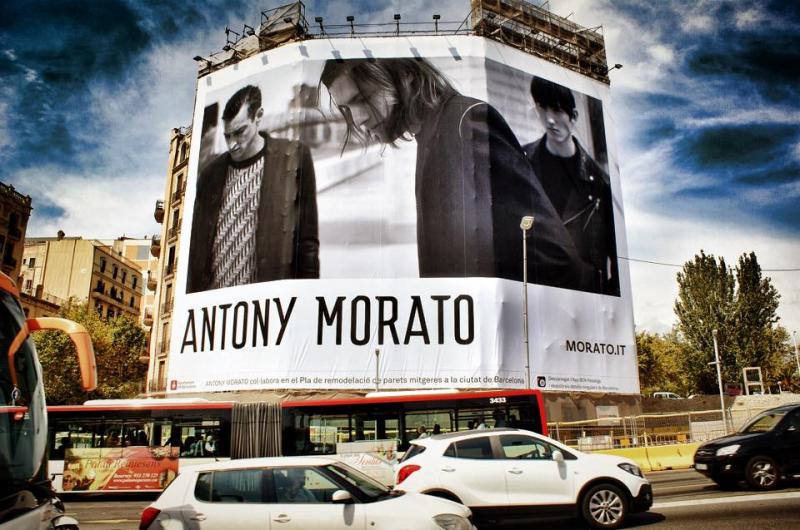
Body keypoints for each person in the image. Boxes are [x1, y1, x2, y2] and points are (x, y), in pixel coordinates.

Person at [320, 58, 584, 287]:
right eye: (346, 109)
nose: (358, 119)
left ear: (405, 74)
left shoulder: (464, 124)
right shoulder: (433, 133)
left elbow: (555, 255)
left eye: (362, 98)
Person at [187, 84, 320, 293]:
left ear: (258, 116)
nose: (232, 144)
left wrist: (308, 295)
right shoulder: (209, 174)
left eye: (240, 132)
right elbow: (196, 248)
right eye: (227, 136)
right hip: (215, 302)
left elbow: (307, 242)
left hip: (266, 301)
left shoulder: (295, 157)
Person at [523, 76, 619, 295]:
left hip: (583, 300)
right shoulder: (521, 162)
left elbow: (616, 266)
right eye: (542, 107)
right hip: (535, 296)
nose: (549, 120)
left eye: (557, 110)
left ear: (573, 116)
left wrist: (604, 301)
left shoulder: (601, 183)